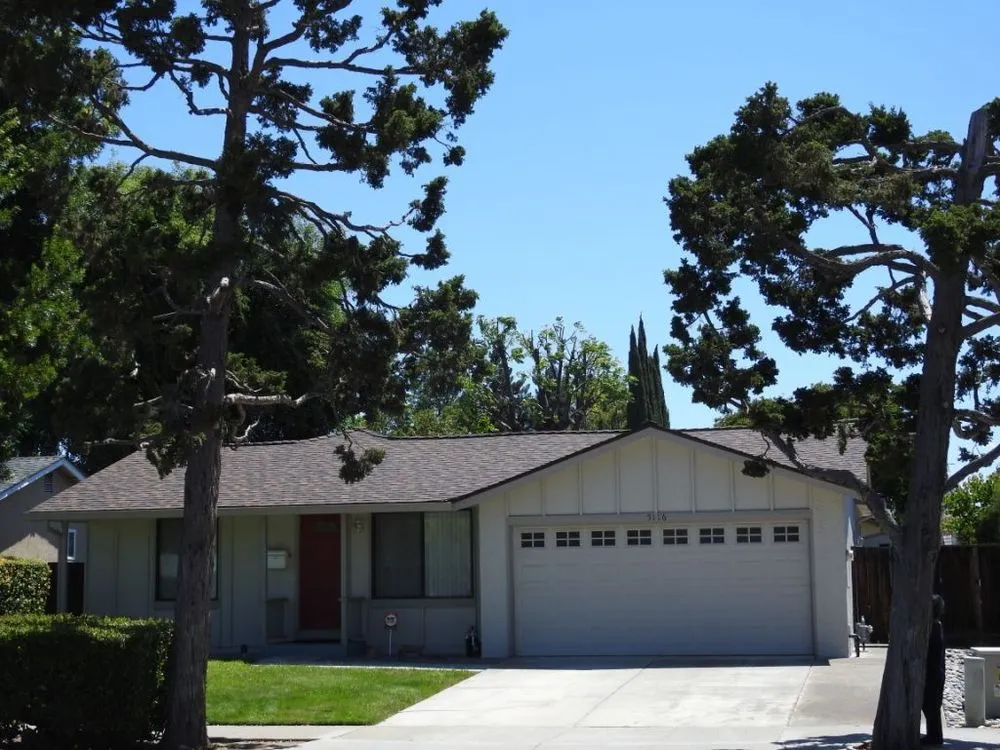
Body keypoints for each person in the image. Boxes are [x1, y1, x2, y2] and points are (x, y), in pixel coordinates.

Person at [922, 594, 946, 747]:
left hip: (933, 673)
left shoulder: (933, 628)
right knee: (931, 706)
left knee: (930, 706)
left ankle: (935, 737)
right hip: (936, 672)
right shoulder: (936, 626)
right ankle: (934, 735)